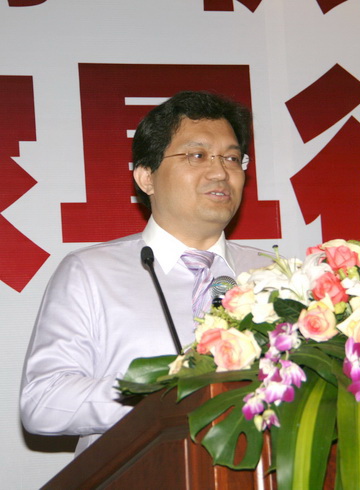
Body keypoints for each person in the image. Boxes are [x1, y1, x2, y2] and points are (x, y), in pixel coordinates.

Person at [20, 91, 273, 455]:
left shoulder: (274, 275)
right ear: (146, 177)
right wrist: (167, 394)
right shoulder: (90, 273)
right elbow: (43, 401)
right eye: (197, 155)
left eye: (232, 158)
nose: (220, 172)